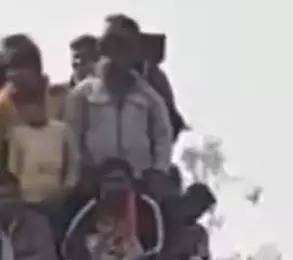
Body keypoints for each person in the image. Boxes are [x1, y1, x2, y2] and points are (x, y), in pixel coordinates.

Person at [64, 27, 174, 182]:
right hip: (94, 181)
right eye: (107, 52)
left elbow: (163, 137)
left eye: (120, 52)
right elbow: (72, 135)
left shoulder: (149, 97)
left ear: (131, 58)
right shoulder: (83, 94)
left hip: (139, 181)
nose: (113, 59)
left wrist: (158, 171)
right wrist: (80, 170)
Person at [59, 157, 165, 260]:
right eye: (109, 181)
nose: (115, 187)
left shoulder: (146, 205)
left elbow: (157, 247)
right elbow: (71, 245)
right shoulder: (91, 207)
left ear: (130, 183)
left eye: (119, 180)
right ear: (100, 185)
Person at [5, 74, 78, 234]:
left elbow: (72, 167)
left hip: (57, 202)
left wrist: (64, 191)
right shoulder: (17, 134)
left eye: (36, 103)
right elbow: (14, 170)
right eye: (26, 105)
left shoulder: (62, 131)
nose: (32, 109)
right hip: (28, 204)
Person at [103, 14, 187, 140]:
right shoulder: (95, 77)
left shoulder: (151, 76)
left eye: (118, 43)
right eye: (107, 43)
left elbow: (170, 122)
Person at [0, 177, 58, 260]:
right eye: (1, 198)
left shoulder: (36, 222)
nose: (5, 203)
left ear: (20, 198)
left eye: (10, 196)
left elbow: (47, 257)